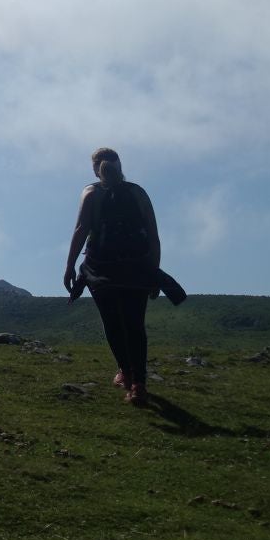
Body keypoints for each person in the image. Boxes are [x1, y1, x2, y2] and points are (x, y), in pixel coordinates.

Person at [64, 147, 161, 406]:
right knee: (135, 324)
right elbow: (152, 234)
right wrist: (154, 270)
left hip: (101, 270)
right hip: (136, 269)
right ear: (120, 166)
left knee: (113, 323)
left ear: (96, 169)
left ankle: (125, 373)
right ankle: (139, 384)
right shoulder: (138, 193)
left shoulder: (91, 192)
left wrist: (70, 265)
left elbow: (81, 229)